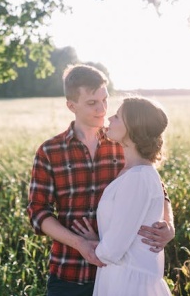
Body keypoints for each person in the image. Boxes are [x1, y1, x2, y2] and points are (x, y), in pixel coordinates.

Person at [27, 64, 174, 296]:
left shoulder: (124, 141)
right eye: (92, 103)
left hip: (119, 274)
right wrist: (80, 244)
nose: (102, 110)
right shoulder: (50, 151)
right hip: (69, 272)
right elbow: (38, 212)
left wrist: (169, 225)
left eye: (105, 100)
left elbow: (157, 190)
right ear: (71, 105)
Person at [73, 96, 173, 295]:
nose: (109, 117)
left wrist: (95, 247)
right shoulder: (134, 172)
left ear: (133, 128)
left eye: (117, 116)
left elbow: (112, 250)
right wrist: (102, 241)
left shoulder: (139, 178)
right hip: (118, 276)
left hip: (129, 284)